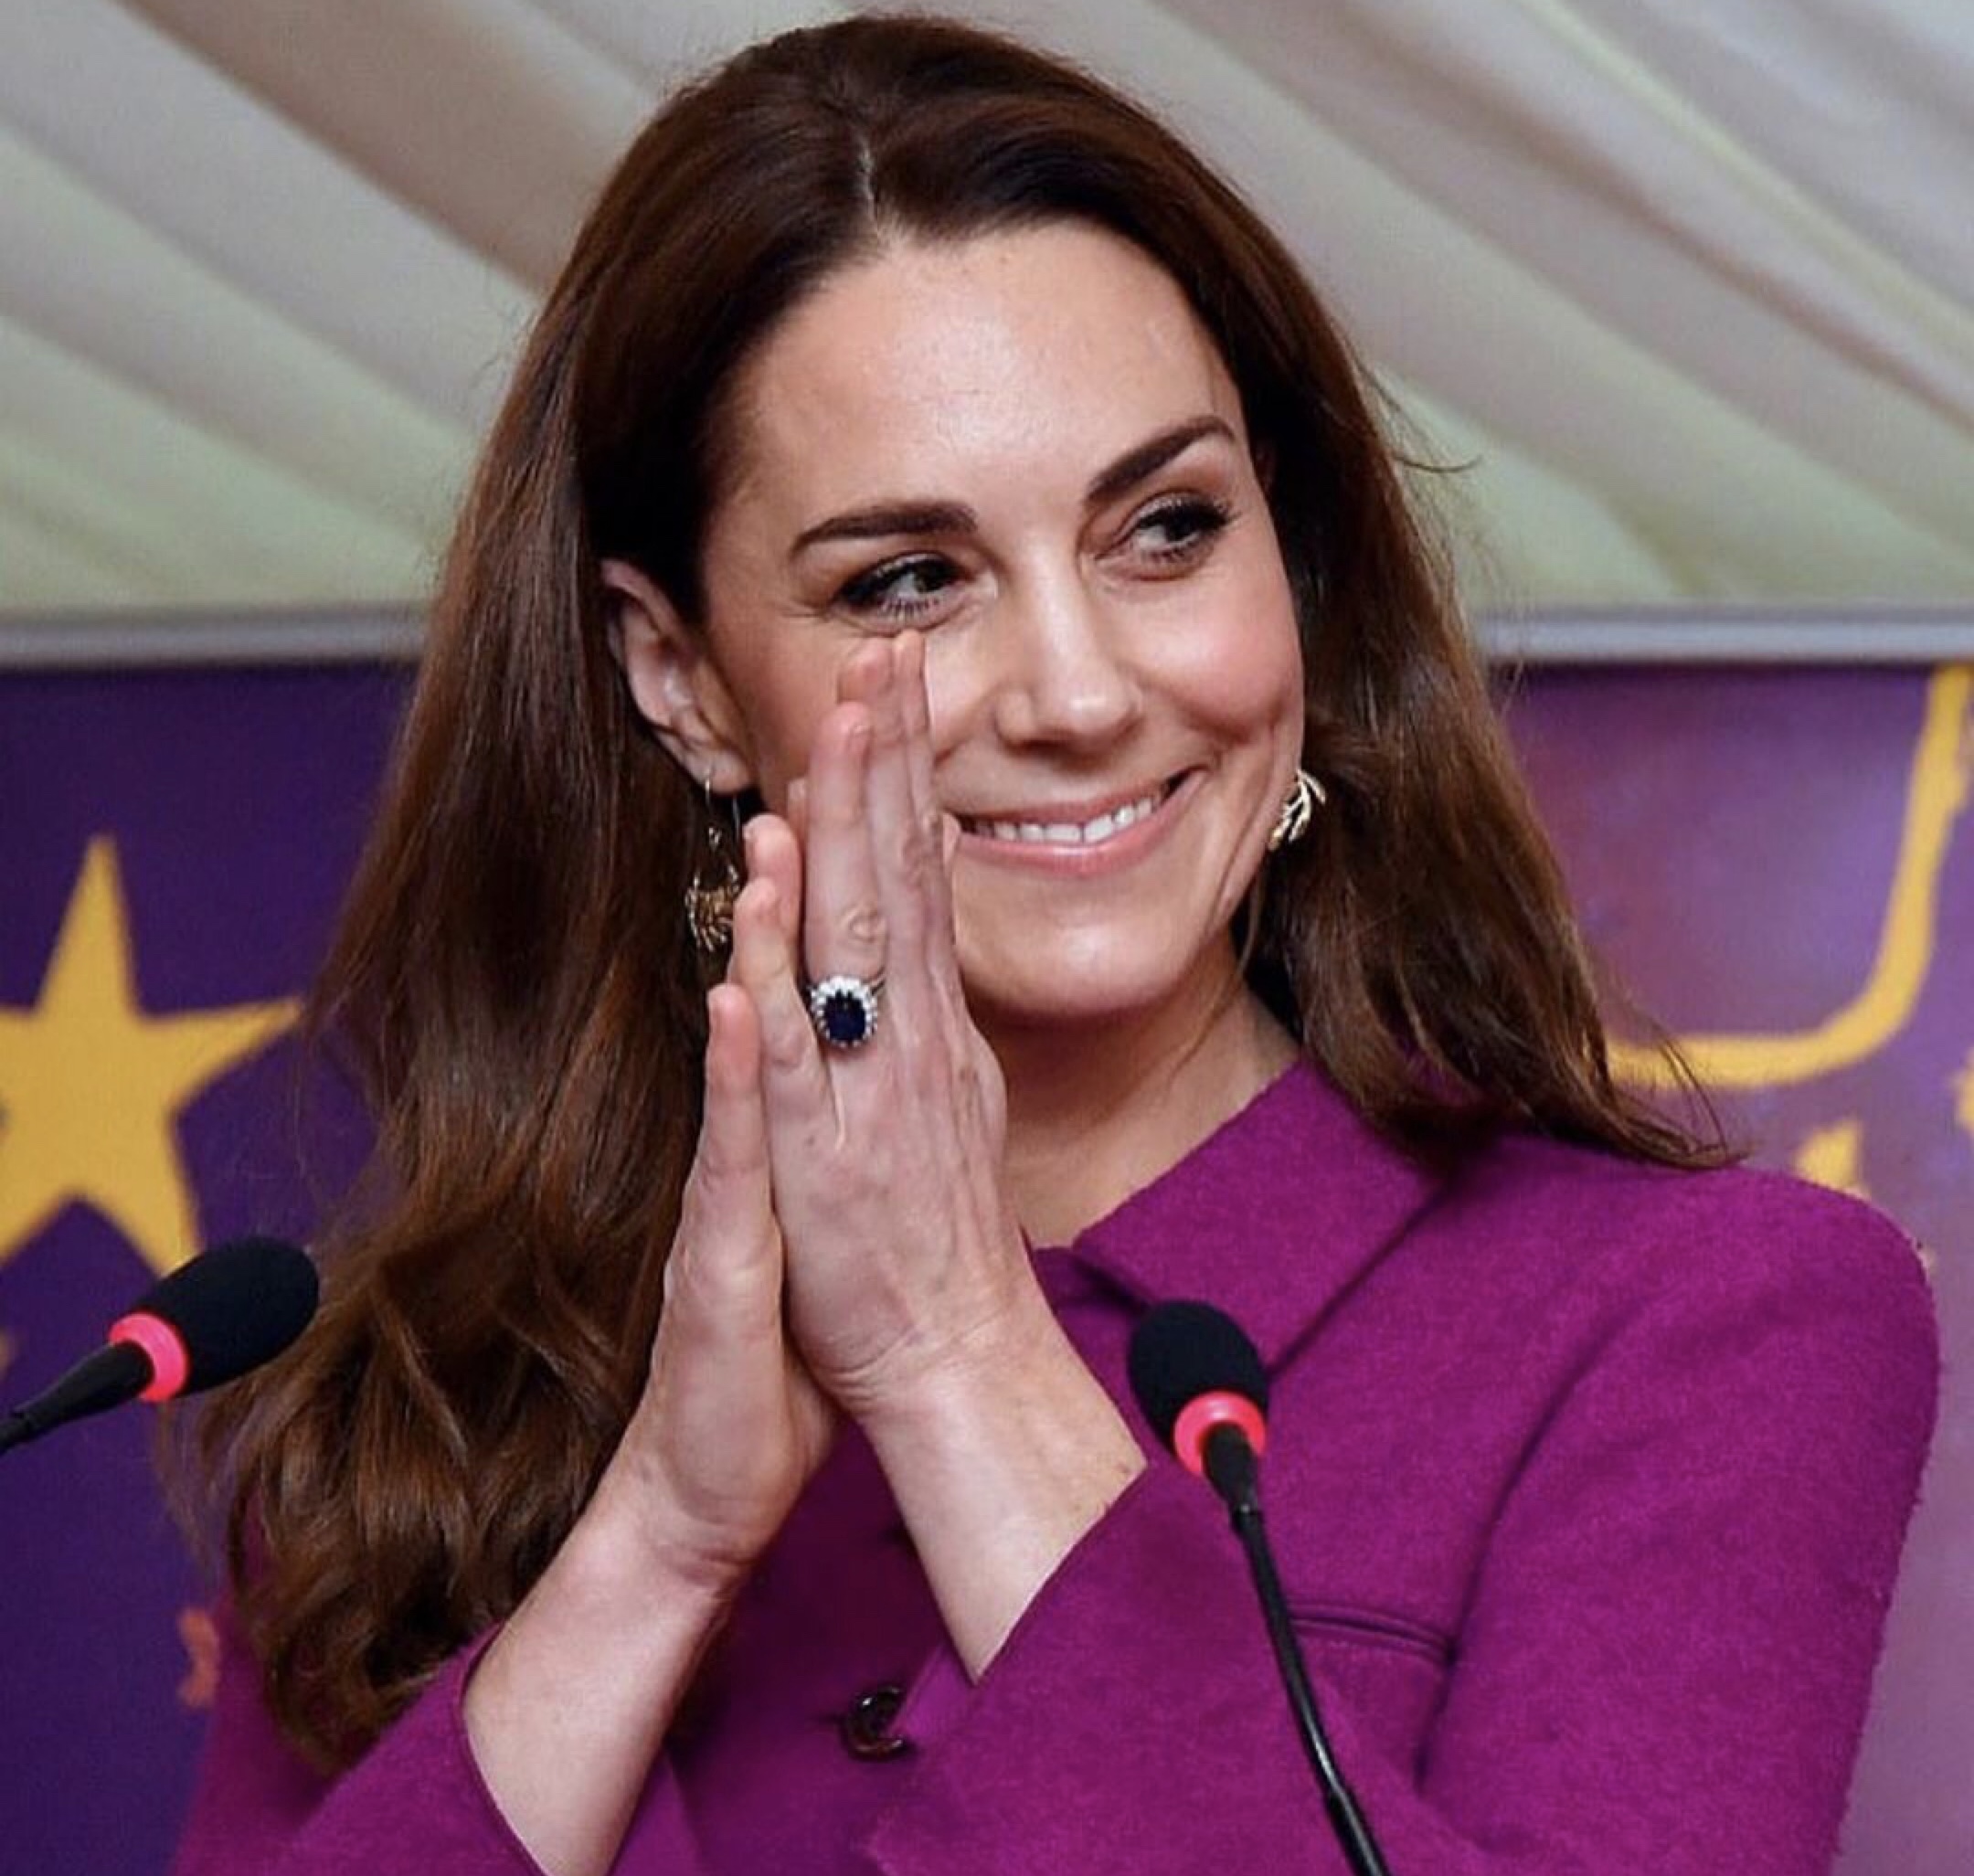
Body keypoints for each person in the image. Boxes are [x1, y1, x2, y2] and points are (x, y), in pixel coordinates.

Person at [171, 16, 1936, 1876]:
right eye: (910, 580)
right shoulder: (431, 1406)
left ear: (1294, 566)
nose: (1082, 693)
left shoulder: (1706, 1322)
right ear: (681, 676)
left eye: (1167, 529)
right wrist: (658, 1546)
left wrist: (956, 1359)